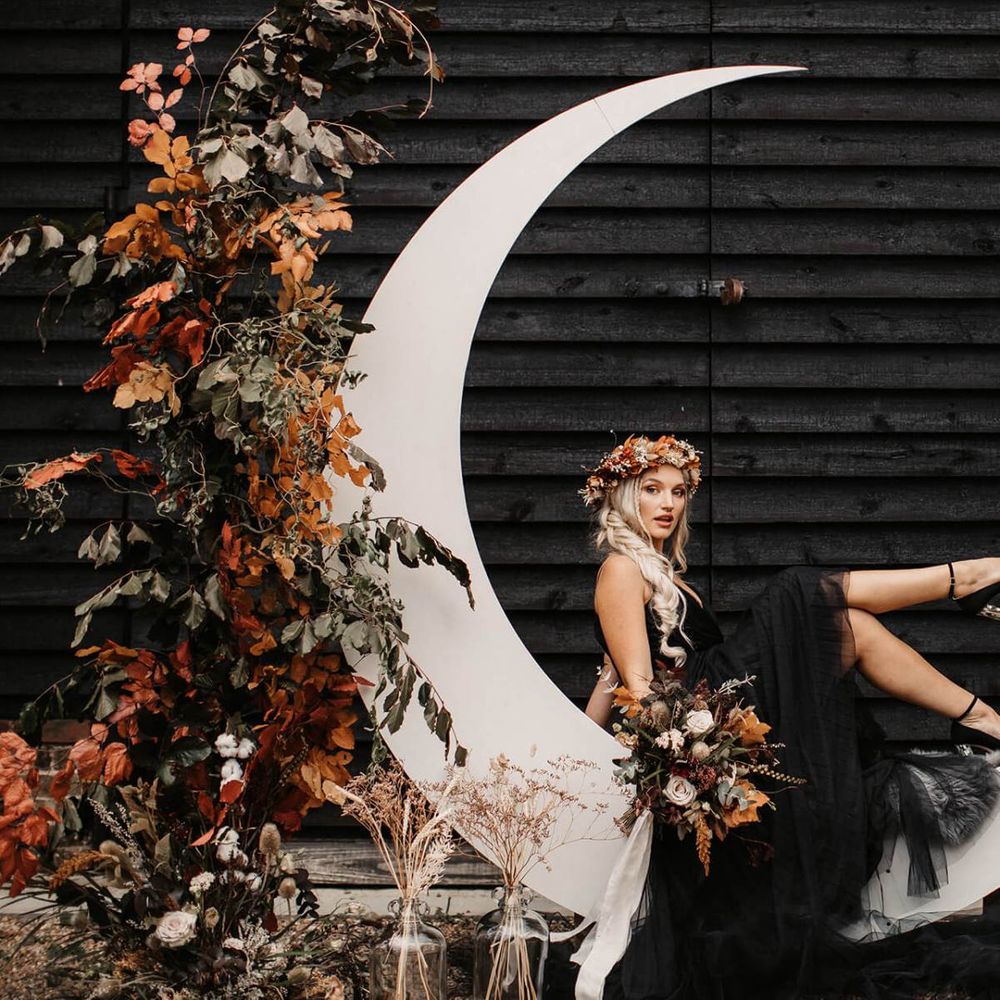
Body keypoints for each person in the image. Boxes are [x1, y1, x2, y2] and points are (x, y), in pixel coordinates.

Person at [576, 432, 1000, 1000]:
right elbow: (641, 687)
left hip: (719, 710)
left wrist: (599, 727)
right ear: (624, 497)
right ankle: (965, 580)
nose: (668, 504)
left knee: (851, 628)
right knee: (796, 591)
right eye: (652, 490)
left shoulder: (665, 580)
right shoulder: (620, 570)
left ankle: (984, 716)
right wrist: (676, 751)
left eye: (678, 492)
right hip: (704, 714)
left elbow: (614, 671)